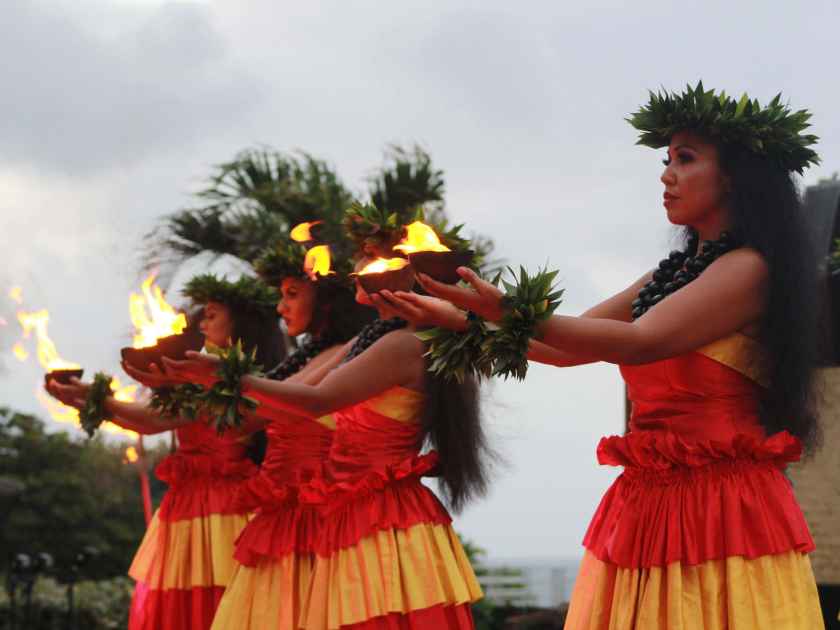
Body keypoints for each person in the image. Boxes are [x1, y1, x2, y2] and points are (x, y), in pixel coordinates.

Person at [377, 83, 825, 629]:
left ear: (735, 176)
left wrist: (509, 308)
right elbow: (565, 348)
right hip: (648, 499)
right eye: (666, 160)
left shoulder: (748, 269)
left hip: (720, 503)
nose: (666, 175)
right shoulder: (670, 275)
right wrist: (462, 319)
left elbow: (643, 342)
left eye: (685, 159)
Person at [164, 247, 492, 629]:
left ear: (412, 281)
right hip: (357, 512)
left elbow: (318, 401)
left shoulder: (404, 344)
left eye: (387, 259)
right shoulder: (379, 341)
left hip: (378, 516)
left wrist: (231, 377)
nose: (366, 262)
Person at [48, 273, 284, 630]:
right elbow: (147, 419)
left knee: (215, 605)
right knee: (182, 608)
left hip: (226, 508)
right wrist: (86, 397)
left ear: (241, 323)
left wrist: (89, 397)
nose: (201, 322)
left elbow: (151, 421)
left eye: (213, 315)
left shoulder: (236, 380)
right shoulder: (197, 375)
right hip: (187, 506)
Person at [209, 238, 376, 629]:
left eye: (293, 294)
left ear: (328, 301)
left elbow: (273, 409)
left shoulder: (350, 350)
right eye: (280, 296)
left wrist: (217, 377)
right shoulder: (309, 356)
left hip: (314, 521)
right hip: (283, 518)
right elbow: (242, 422)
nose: (281, 306)